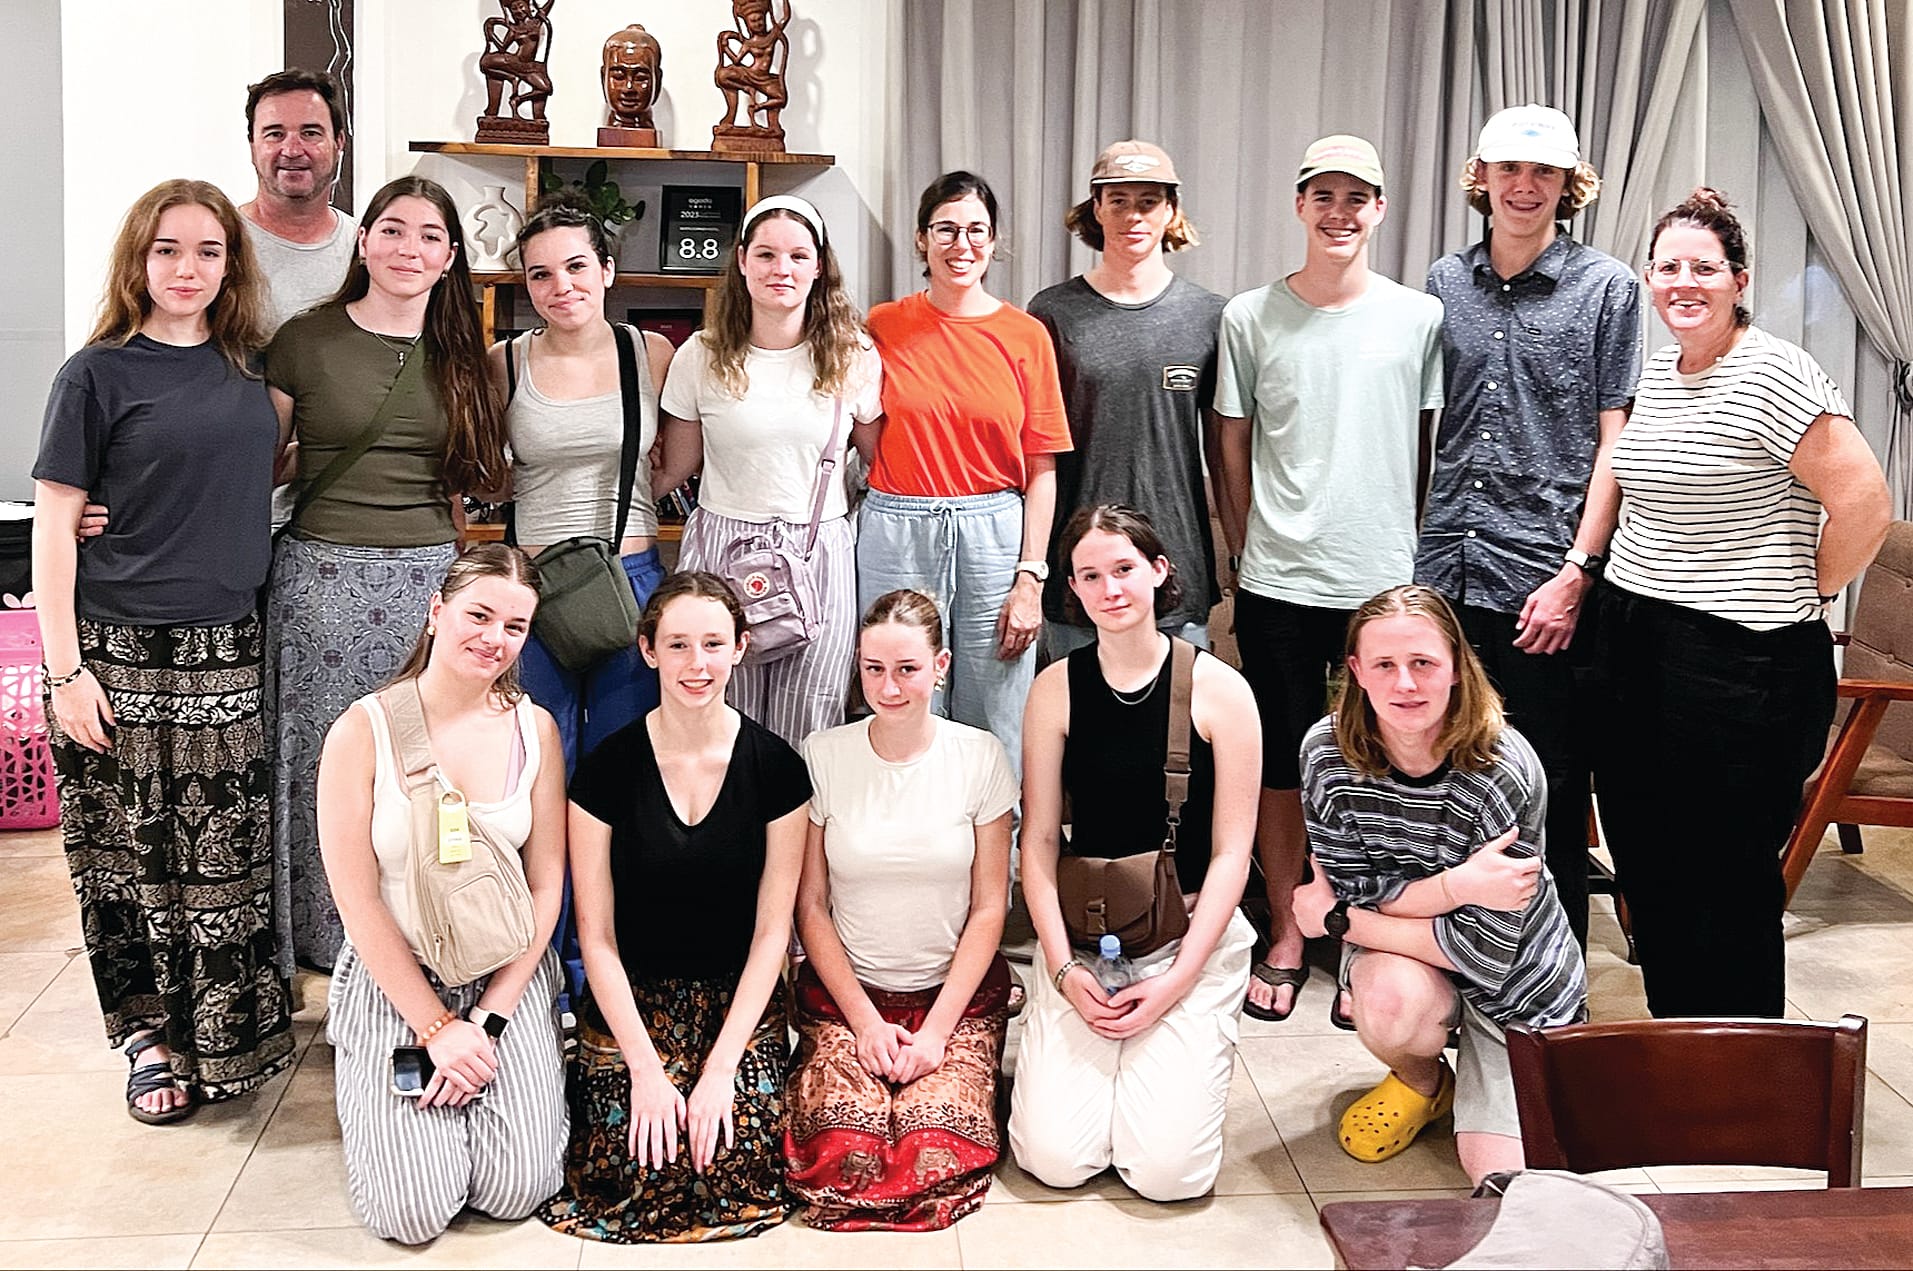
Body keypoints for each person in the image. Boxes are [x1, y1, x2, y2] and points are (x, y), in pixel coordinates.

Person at [1593, 189, 1891, 1019]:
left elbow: (1863, 500)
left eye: (1702, 267)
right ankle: (1675, 1036)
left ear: (1737, 280)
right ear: (1647, 279)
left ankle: (1738, 1064)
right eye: (1666, 266)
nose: (1682, 281)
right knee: (1646, 855)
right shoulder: (1657, 372)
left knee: (1723, 874)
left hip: (1741, 662)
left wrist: (1813, 588)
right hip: (1639, 641)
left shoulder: (1772, 371)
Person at [31, 179, 293, 1125]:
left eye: (208, 252)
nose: (188, 269)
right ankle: (148, 1042)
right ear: (138, 258)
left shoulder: (250, 372)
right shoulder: (95, 373)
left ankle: (227, 1038)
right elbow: (57, 526)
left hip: (227, 645)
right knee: (130, 865)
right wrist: (64, 671)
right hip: (117, 647)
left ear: (232, 265)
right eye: (169, 249)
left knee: (224, 863)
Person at [1213, 136, 1443, 1023]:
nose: (1340, 212)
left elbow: (1429, 450)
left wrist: (1410, 545)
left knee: (1384, 763)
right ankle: (1283, 925)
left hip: (1382, 584)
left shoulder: (1417, 318)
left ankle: (1367, 935)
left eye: (1358, 197)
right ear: (1300, 205)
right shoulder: (1249, 317)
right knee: (1279, 760)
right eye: (1324, 196)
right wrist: (1244, 546)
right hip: (1278, 577)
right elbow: (1230, 444)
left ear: (1379, 209)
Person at [266, 174, 508, 973]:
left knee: (426, 765)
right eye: (393, 230)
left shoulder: (464, 353)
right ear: (362, 241)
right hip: (321, 580)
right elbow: (254, 464)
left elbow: (476, 475)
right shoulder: (305, 340)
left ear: (449, 258)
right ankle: (325, 944)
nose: (410, 248)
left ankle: (420, 935)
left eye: (430, 236)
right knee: (322, 763)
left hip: (427, 586)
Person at [1415, 105, 1642, 948]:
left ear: (1566, 186)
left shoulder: (1606, 289)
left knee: (1546, 779)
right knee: (1451, 774)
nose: (1523, 186)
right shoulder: (1442, 283)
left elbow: (1615, 435)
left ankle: (1552, 980)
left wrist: (1579, 567)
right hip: (1449, 566)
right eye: (1507, 169)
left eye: (1541, 172)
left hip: (1547, 573)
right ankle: (1465, 959)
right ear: (1480, 178)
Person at [541, 572, 810, 1243]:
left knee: (732, 1167)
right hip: (632, 998)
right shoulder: (605, 770)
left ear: (741, 647)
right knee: (635, 1170)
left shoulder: (777, 769)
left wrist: (721, 1069)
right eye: (680, 644)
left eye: (714, 643)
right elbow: (594, 936)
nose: (698, 664)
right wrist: (644, 1068)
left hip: (736, 1001)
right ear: (649, 650)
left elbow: (773, 932)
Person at [1290, 584, 1586, 1186]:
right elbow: (1354, 884)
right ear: (1356, 672)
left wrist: (1336, 922)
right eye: (1385, 665)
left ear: (1456, 666)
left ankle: (1506, 1074)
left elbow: (1480, 947)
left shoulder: (1504, 765)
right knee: (1389, 1002)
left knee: (1502, 1182)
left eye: (1423, 663)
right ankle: (1424, 1084)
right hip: (1414, 957)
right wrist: (1457, 887)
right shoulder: (1325, 752)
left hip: (1520, 980)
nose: (1405, 684)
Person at [315, 544, 568, 1244]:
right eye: (478, 615)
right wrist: (434, 1028)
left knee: (515, 1189)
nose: (494, 638)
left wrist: (484, 1023)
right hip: (396, 974)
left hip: (501, 973)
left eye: (515, 626)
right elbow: (357, 900)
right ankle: (375, 1093)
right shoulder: (360, 731)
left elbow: (546, 885)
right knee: (413, 1212)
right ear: (436, 612)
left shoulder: (535, 729)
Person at [1009, 505, 1260, 1202]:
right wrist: (1060, 970)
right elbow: (1035, 843)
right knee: (1054, 1159)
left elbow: (1232, 856)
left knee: (1166, 1175)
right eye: (1090, 575)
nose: (1109, 588)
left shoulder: (1220, 690)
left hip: (1187, 934)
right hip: (1087, 938)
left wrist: (1177, 979)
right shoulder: (1054, 688)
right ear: (1072, 589)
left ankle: (1182, 1046)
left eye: (1123, 568)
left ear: (1158, 571)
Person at [785, 589, 1018, 1229]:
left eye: (907, 669)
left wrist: (938, 1033)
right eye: (874, 669)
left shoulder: (980, 757)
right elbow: (811, 908)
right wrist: (863, 1024)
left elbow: (988, 910)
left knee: (933, 1158)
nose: (889, 687)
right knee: (839, 1161)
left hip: (951, 998)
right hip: (848, 996)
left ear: (941, 665)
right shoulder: (824, 756)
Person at [861, 171, 1072, 773]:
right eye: (946, 229)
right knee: (895, 691)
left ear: (994, 241)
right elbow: (864, 433)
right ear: (922, 239)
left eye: (976, 231)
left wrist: (1030, 576)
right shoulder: (882, 326)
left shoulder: (1025, 335)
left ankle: (997, 862)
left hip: (994, 534)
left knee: (996, 705)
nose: (962, 244)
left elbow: (1043, 468)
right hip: (897, 525)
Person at [654, 195, 882, 745]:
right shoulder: (701, 356)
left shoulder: (853, 356)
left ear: (819, 266)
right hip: (721, 547)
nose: (782, 269)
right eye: (766, 254)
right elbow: (675, 466)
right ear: (741, 261)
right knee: (718, 714)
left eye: (798, 256)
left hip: (817, 550)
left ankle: (798, 833)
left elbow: (878, 459)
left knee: (812, 717)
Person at [495, 192, 676, 772]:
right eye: (541, 274)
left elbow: (672, 460)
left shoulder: (650, 352)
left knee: (623, 761)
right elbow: (484, 473)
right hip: (536, 586)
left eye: (576, 266)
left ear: (607, 269)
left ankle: (612, 870)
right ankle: (550, 871)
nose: (561, 286)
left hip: (629, 578)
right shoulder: (503, 360)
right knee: (541, 758)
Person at [1030, 139, 1226, 662]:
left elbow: (1227, 449)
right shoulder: (1053, 313)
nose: (1132, 215)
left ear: (1170, 212)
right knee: (1079, 730)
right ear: (1096, 209)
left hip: (1176, 561)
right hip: (1078, 569)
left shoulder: (1208, 316)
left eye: (1147, 201)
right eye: (1118, 200)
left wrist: (1239, 546)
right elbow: (1035, 452)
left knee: (1179, 733)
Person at [240, 69, 356, 335]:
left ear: (339, 142)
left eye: (311, 133)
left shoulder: (366, 251)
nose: (292, 150)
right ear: (252, 146)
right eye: (274, 134)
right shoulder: (218, 244)